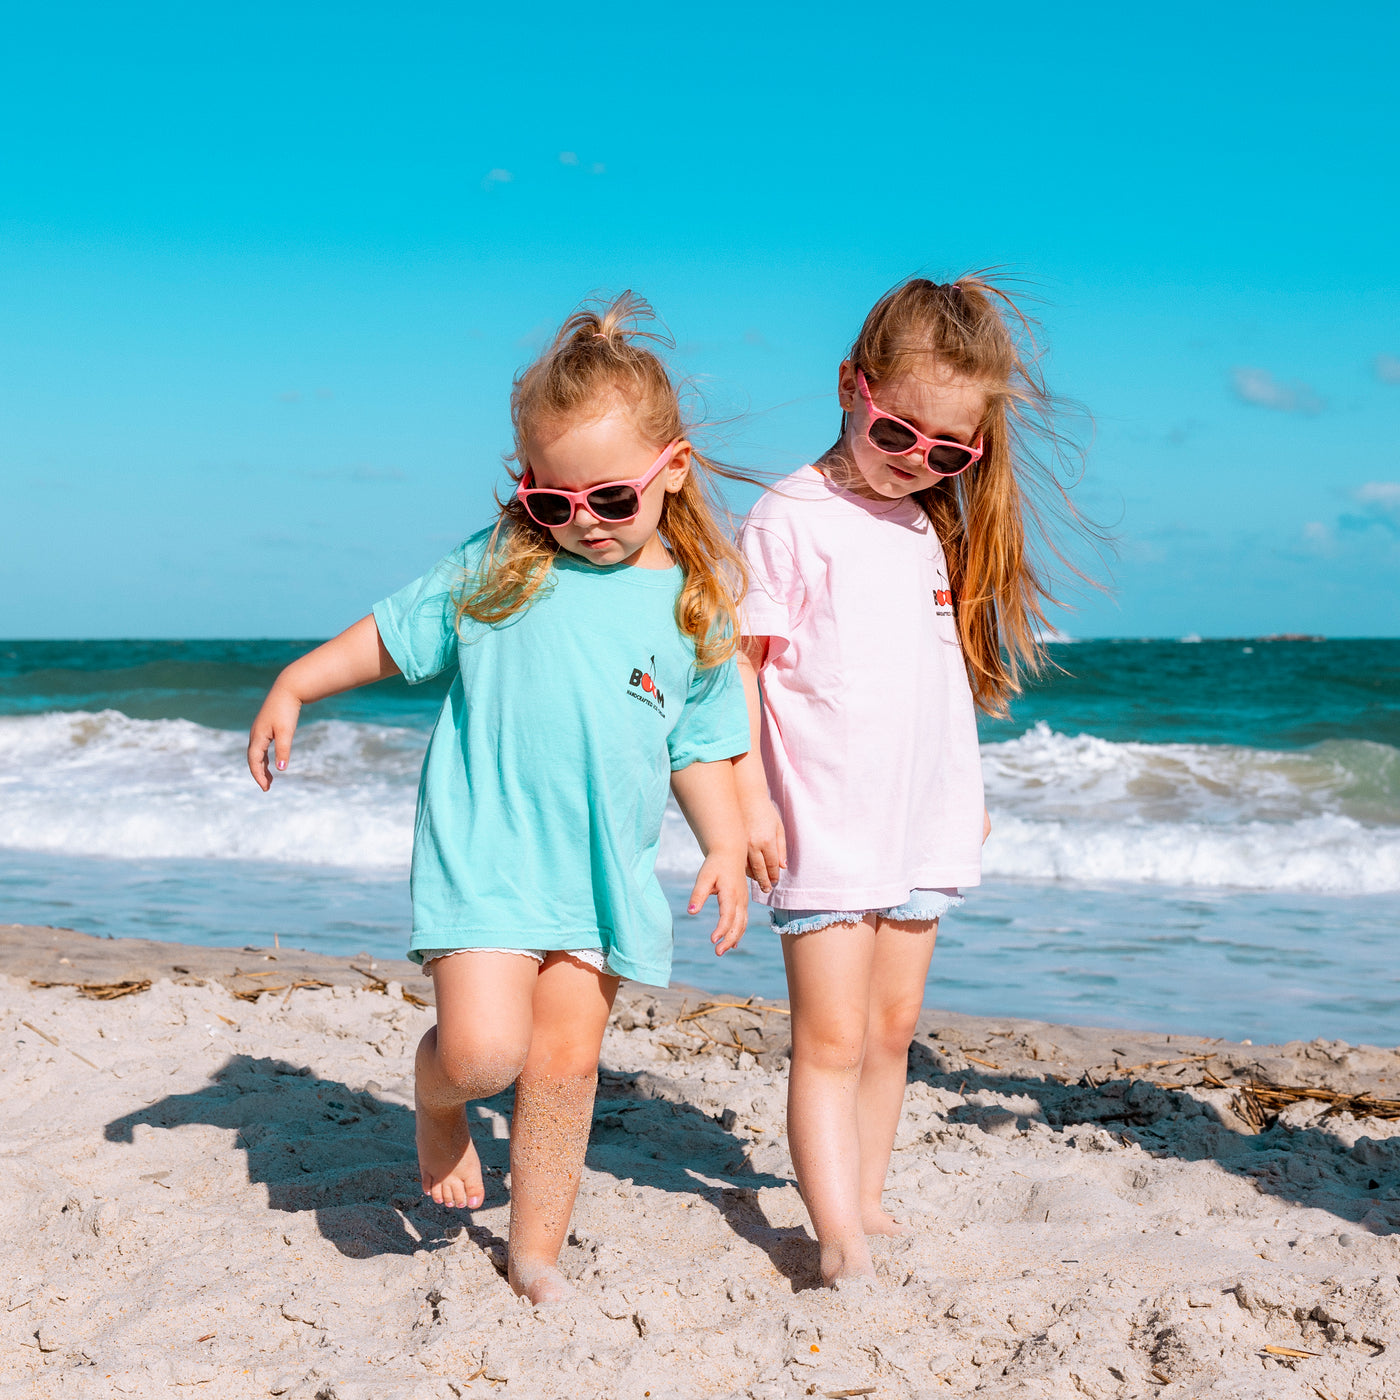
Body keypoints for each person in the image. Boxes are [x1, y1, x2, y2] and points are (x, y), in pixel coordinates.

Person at [247, 293, 752, 1305]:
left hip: (600, 874)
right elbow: (388, 636)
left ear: (674, 470)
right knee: (483, 1052)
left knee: (563, 1071)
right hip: (486, 852)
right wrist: (296, 680)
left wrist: (726, 843)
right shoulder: (499, 571)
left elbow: (698, 743)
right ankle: (436, 1102)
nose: (580, 524)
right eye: (550, 500)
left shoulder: (692, 606)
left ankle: (535, 1253)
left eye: (610, 500)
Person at [734, 274, 1083, 1285]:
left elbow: (932, 682)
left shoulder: (928, 525)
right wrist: (749, 800)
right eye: (898, 435)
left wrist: (959, 795)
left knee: (890, 1030)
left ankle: (868, 1193)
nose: (916, 464)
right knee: (830, 1036)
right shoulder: (787, 516)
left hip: (917, 819)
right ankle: (831, 1224)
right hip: (824, 821)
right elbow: (745, 674)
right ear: (852, 386)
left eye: (948, 450)